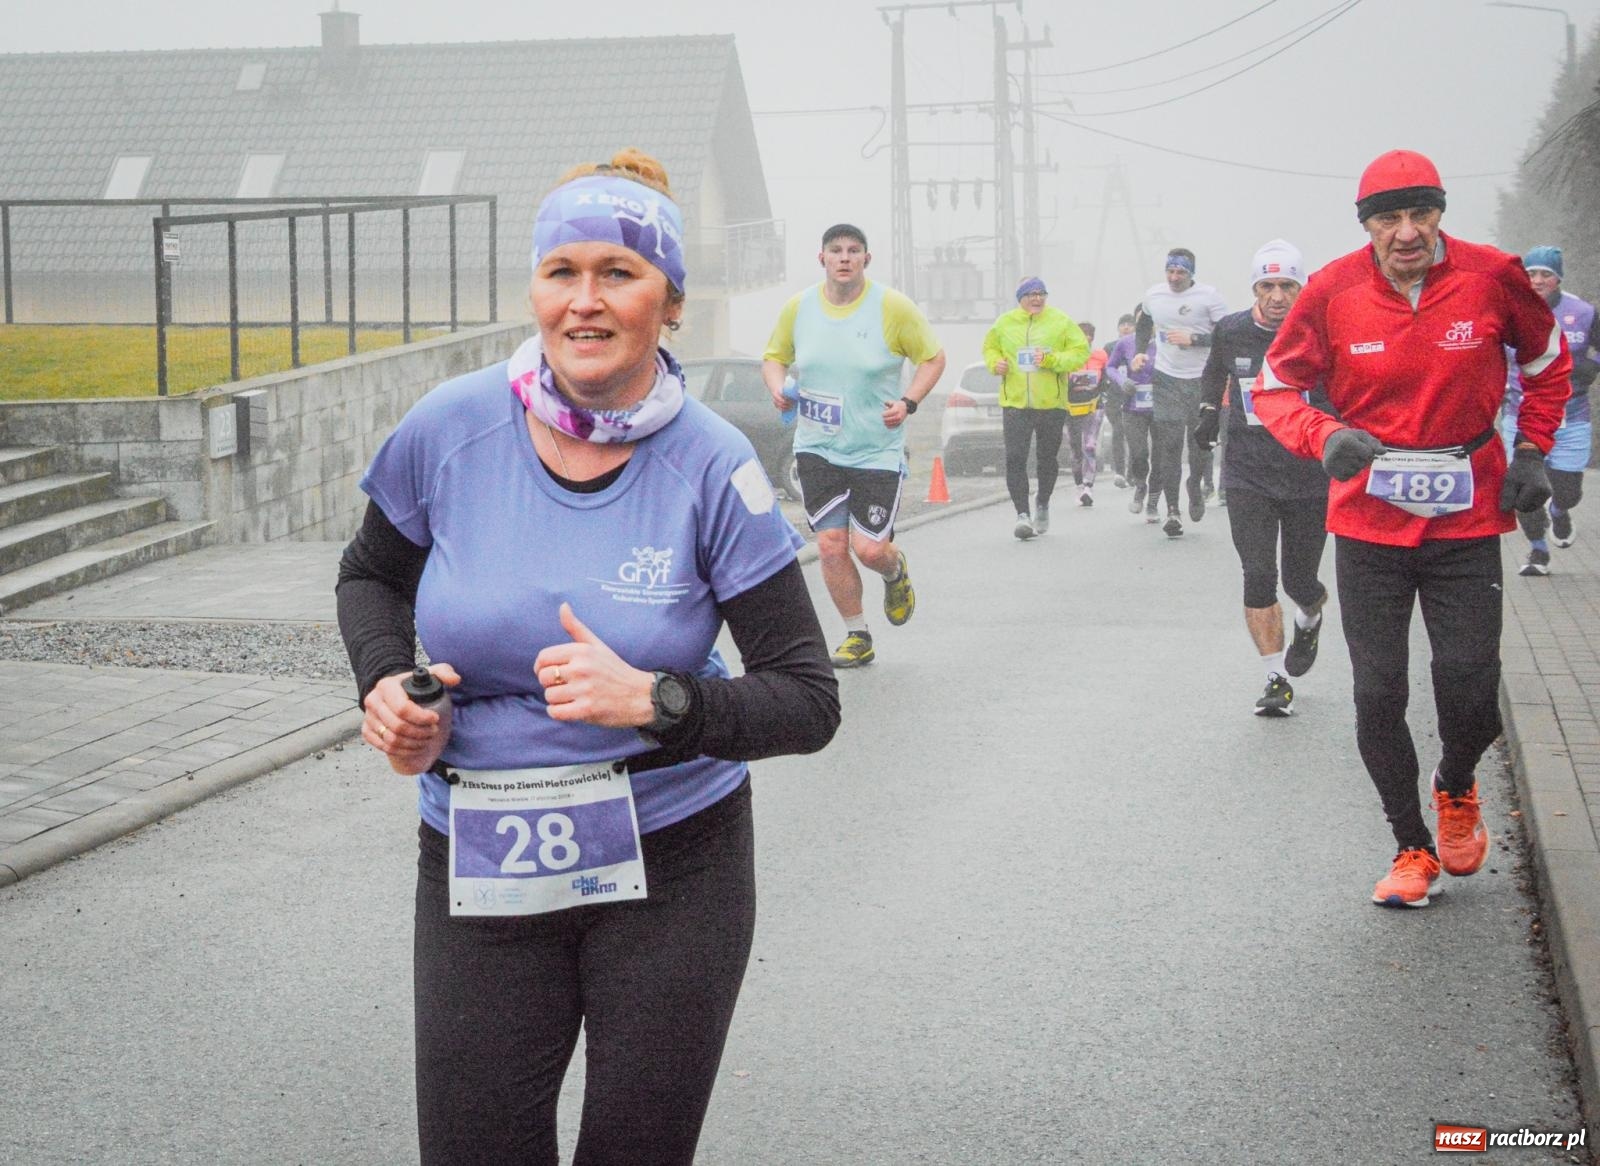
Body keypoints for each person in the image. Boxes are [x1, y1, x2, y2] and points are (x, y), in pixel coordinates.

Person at [336, 148, 841, 1165]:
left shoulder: (710, 461)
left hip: (673, 864)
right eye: (561, 272)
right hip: (480, 857)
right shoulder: (450, 426)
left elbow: (805, 696)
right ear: (533, 289)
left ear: (670, 301)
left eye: (619, 272)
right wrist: (388, 681)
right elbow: (369, 577)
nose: (585, 301)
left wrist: (659, 699)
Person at [1253, 149, 1570, 909]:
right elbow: (1276, 385)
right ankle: (1410, 846)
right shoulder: (1332, 289)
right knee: (1378, 693)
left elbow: (1549, 361)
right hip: (1369, 520)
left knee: (1468, 689)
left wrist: (1532, 448)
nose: (1406, 233)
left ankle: (1456, 781)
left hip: (1465, 517)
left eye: (1420, 214)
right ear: (1366, 226)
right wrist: (1323, 436)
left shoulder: (1493, 275)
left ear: (1440, 214)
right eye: (1388, 218)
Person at [763, 224, 946, 665]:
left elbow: (933, 358)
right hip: (817, 447)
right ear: (821, 258)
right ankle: (856, 634)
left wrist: (909, 402)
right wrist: (777, 387)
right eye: (836, 250)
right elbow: (775, 357)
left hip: (875, 450)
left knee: (870, 549)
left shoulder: (892, 307)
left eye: (853, 251)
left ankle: (895, 570)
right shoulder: (799, 308)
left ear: (867, 259)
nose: (844, 258)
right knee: (829, 544)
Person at [1194, 240, 1331, 717]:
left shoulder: (1320, 328)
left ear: (1301, 287)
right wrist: (1210, 410)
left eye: (1287, 286)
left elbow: (1347, 387)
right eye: (1267, 286)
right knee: (1258, 573)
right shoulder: (1231, 330)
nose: (1276, 296)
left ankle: (1310, 616)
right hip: (1248, 469)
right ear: (1255, 287)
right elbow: (1215, 374)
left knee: (1299, 579)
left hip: (1308, 473)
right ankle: (1275, 678)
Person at [1501, 246, 1599, 576]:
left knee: (1567, 491)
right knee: (1524, 487)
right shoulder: (1508, 308)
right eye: (1532, 274)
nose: (1539, 280)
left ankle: (1560, 510)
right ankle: (1538, 552)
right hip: (1521, 414)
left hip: (1571, 417)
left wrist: (1591, 365)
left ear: (1558, 278)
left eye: (1546, 274)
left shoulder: (1584, 312)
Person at [979, 276, 1091, 538]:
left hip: (1051, 403)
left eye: (1041, 293)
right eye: (1031, 294)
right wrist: (996, 364)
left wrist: (1052, 360)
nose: (1037, 298)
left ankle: (1042, 501)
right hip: (1015, 403)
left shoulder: (1060, 321)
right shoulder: (1004, 323)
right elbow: (989, 350)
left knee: (1046, 459)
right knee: (1015, 458)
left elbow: (1080, 352)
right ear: (1020, 298)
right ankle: (1022, 515)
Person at [1136, 249, 1229, 537]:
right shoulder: (1154, 295)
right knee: (1169, 446)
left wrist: (1196, 339)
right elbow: (1144, 322)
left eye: (1181, 273)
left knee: (1200, 444)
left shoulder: (1208, 297)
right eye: (1170, 272)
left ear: (1191, 274)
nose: (1174, 278)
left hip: (1202, 379)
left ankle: (1196, 485)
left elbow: (1227, 334)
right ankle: (1173, 510)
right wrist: (1139, 352)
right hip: (1166, 379)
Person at [1105, 316, 1158, 520]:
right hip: (1133, 406)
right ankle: (1140, 484)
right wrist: (1122, 380)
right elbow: (1110, 367)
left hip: (1161, 406)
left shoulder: (1166, 342)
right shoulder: (1126, 343)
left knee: (1160, 456)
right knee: (1139, 453)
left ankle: (1153, 501)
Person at [1065, 321, 1108, 506]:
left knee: (1089, 445)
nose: (1087, 337)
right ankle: (1078, 486)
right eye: (1083, 333)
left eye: (1090, 334)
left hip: (1094, 405)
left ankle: (1088, 486)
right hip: (1071, 407)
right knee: (1076, 448)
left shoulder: (1100, 355)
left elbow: (1107, 377)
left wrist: (1105, 389)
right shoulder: (1066, 356)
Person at [1101, 313, 1136, 488]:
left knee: (1133, 436)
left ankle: (1131, 472)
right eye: (1123, 324)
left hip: (1134, 397)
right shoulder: (1109, 347)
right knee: (1118, 432)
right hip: (1114, 397)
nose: (1126, 327)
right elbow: (1103, 370)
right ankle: (1120, 471)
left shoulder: (1138, 347)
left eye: (1130, 324)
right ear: (1118, 328)